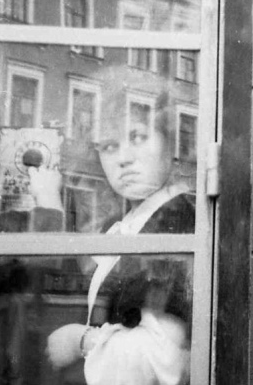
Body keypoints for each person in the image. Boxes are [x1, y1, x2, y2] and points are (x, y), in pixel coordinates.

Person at [44, 90, 195, 385]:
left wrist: (82, 340)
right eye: (109, 146)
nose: (123, 159)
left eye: (138, 137)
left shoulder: (177, 220)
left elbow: (167, 360)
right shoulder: (128, 223)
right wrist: (48, 197)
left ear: (170, 144)